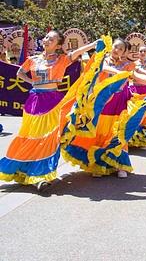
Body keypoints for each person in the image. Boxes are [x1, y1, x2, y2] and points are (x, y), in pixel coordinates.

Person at [0, 30, 97, 190]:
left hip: (53, 102)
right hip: (34, 102)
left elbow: (76, 53)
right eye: (46, 37)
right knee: (29, 137)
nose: (46, 40)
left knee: (48, 139)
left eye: (51, 39)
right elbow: (19, 73)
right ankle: (23, 170)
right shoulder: (33, 59)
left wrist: (93, 45)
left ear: (58, 45)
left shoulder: (62, 60)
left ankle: (41, 176)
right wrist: (32, 82)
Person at [63, 39, 146, 178]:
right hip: (104, 102)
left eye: (120, 48)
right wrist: (121, 74)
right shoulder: (104, 60)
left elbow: (137, 76)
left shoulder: (128, 65)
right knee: (101, 130)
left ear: (124, 52)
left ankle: (119, 165)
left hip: (120, 102)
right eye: (115, 47)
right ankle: (98, 163)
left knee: (118, 132)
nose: (116, 50)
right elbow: (104, 68)